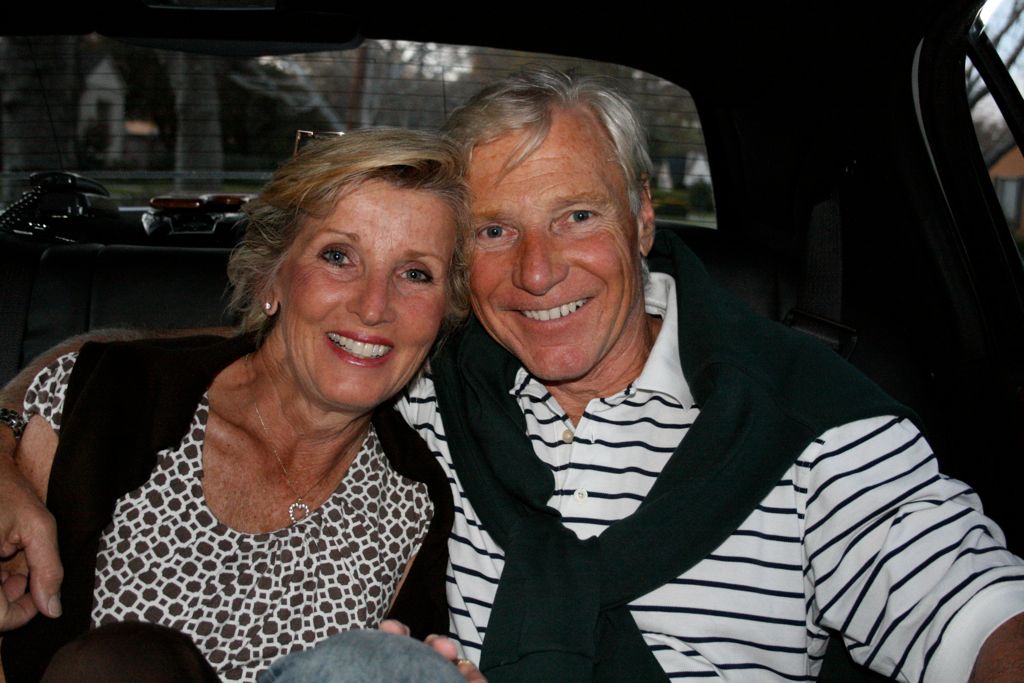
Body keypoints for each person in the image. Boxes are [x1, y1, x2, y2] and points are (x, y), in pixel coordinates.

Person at [4, 67, 1024, 682]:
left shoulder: (815, 419)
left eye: (575, 215)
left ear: (640, 219)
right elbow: (221, 371)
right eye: (493, 230)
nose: (537, 273)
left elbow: (972, 608)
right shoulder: (424, 381)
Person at [0, 127, 476, 682]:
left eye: (416, 273)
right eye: (339, 256)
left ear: (445, 313)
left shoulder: (412, 503)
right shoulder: (102, 399)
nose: (374, 306)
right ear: (271, 277)